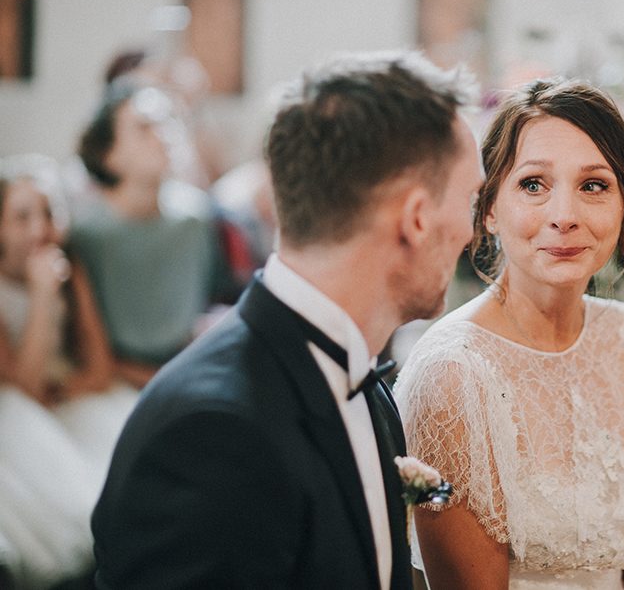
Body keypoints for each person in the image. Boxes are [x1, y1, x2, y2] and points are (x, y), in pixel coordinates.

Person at [91, 51, 483, 589]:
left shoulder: (365, 382)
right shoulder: (212, 436)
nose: (473, 231)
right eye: (470, 198)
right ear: (416, 218)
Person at [394, 78, 624, 590]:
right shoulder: (454, 376)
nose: (565, 217)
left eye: (593, 186)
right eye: (533, 184)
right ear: (488, 208)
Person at [0, 155, 137, 589]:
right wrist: (42, 297)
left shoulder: (71, 269)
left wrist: (66, 389)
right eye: (21, 217)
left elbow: (98, 368)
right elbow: (20, 387)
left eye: (48, 213)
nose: (39, 229)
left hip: (68, 394)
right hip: (18, 406)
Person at [70, 79, 235, 388]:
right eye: (144, 127)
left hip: (187, 371)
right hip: (113, 382)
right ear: (109, 154)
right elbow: (87, 349)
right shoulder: (86, 235)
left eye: (168, 122)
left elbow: (206, 307)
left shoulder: (196, 217)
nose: (164, 136)